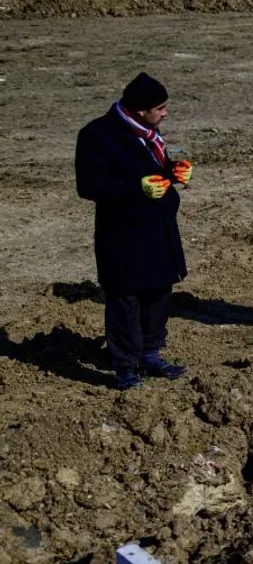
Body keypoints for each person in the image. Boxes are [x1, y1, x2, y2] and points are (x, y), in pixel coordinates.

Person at [75, 73, 192, 389]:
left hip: (158, 229)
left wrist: (173, 171)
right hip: (123, 234)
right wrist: (135, 189)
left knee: (159, 292)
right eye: (161, 108)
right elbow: (88, 186)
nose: (166, 113)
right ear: (140, 109)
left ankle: (150, 355)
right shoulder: (97, 135)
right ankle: (125, 365)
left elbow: (151, 171)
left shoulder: (147, 131)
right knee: (125, 298)